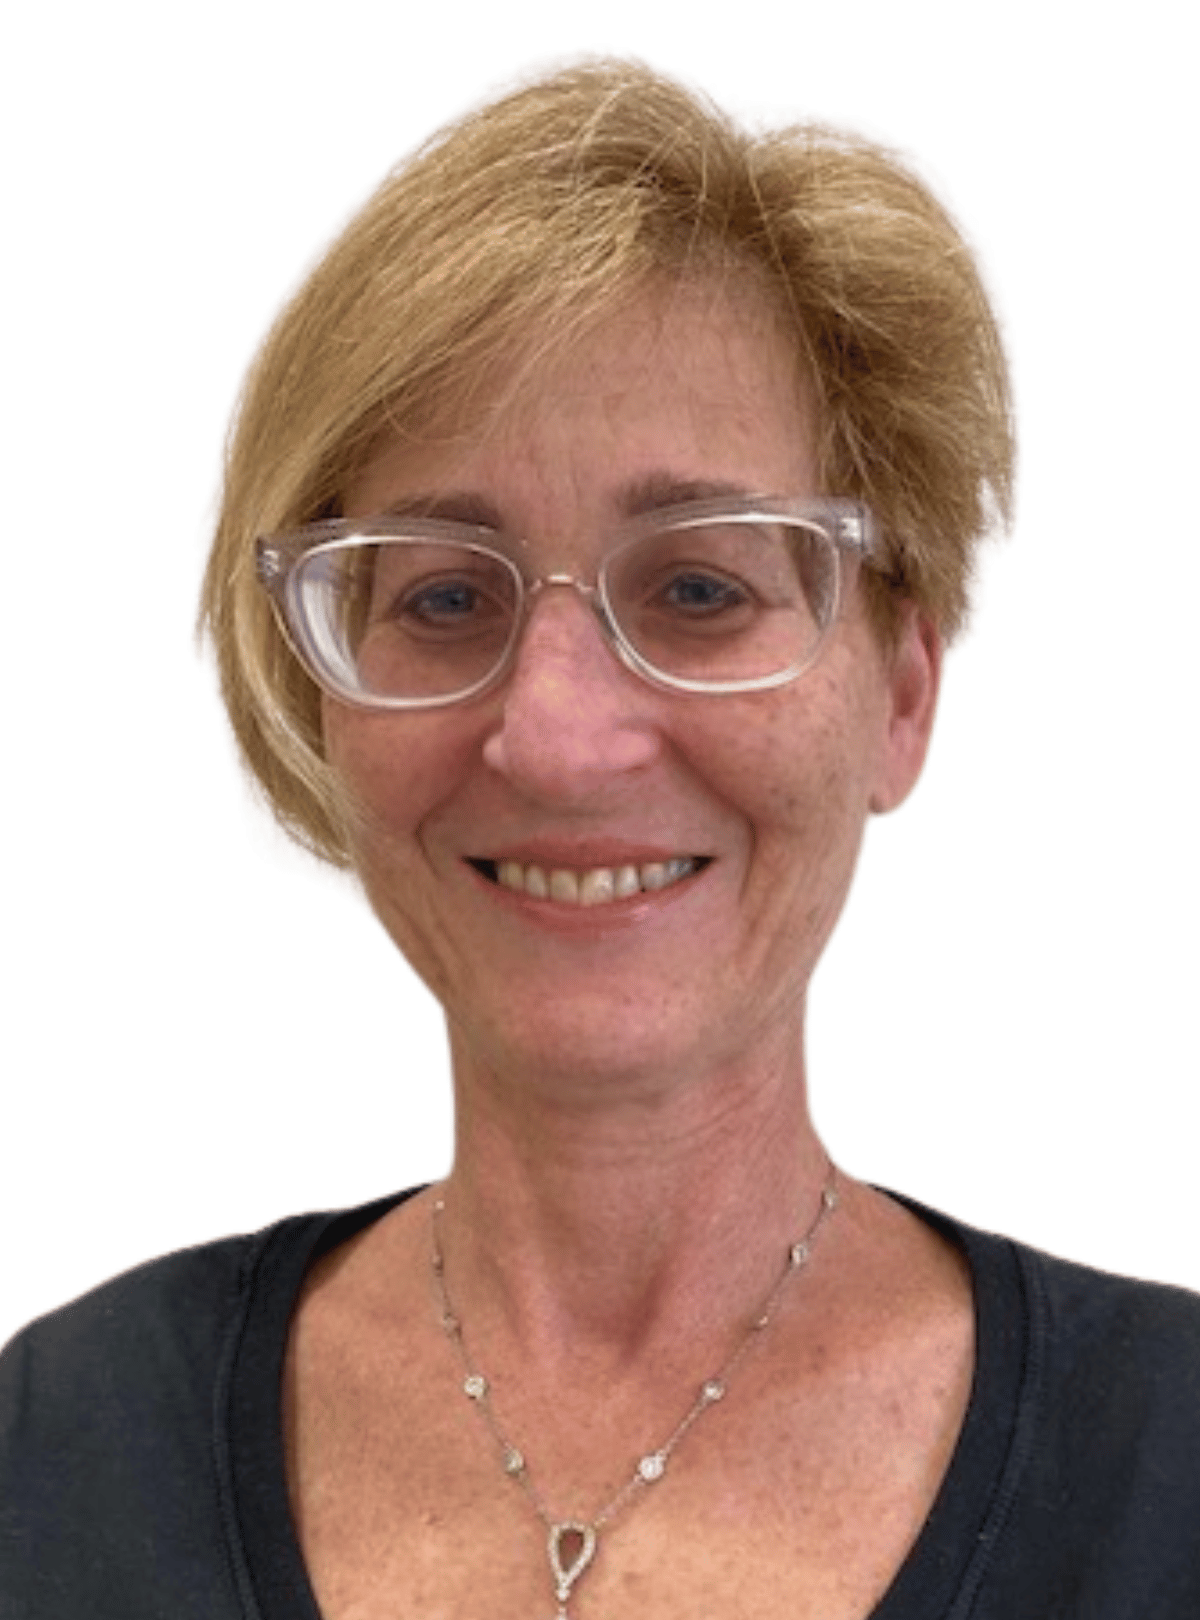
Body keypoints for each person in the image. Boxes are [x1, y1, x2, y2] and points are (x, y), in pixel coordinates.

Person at [2, 57, 1198, 1620]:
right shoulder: (60, 1454)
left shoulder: (1171, 1475)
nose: (558, 739)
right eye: (441, 596)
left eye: (699, 590)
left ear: (899, 694)